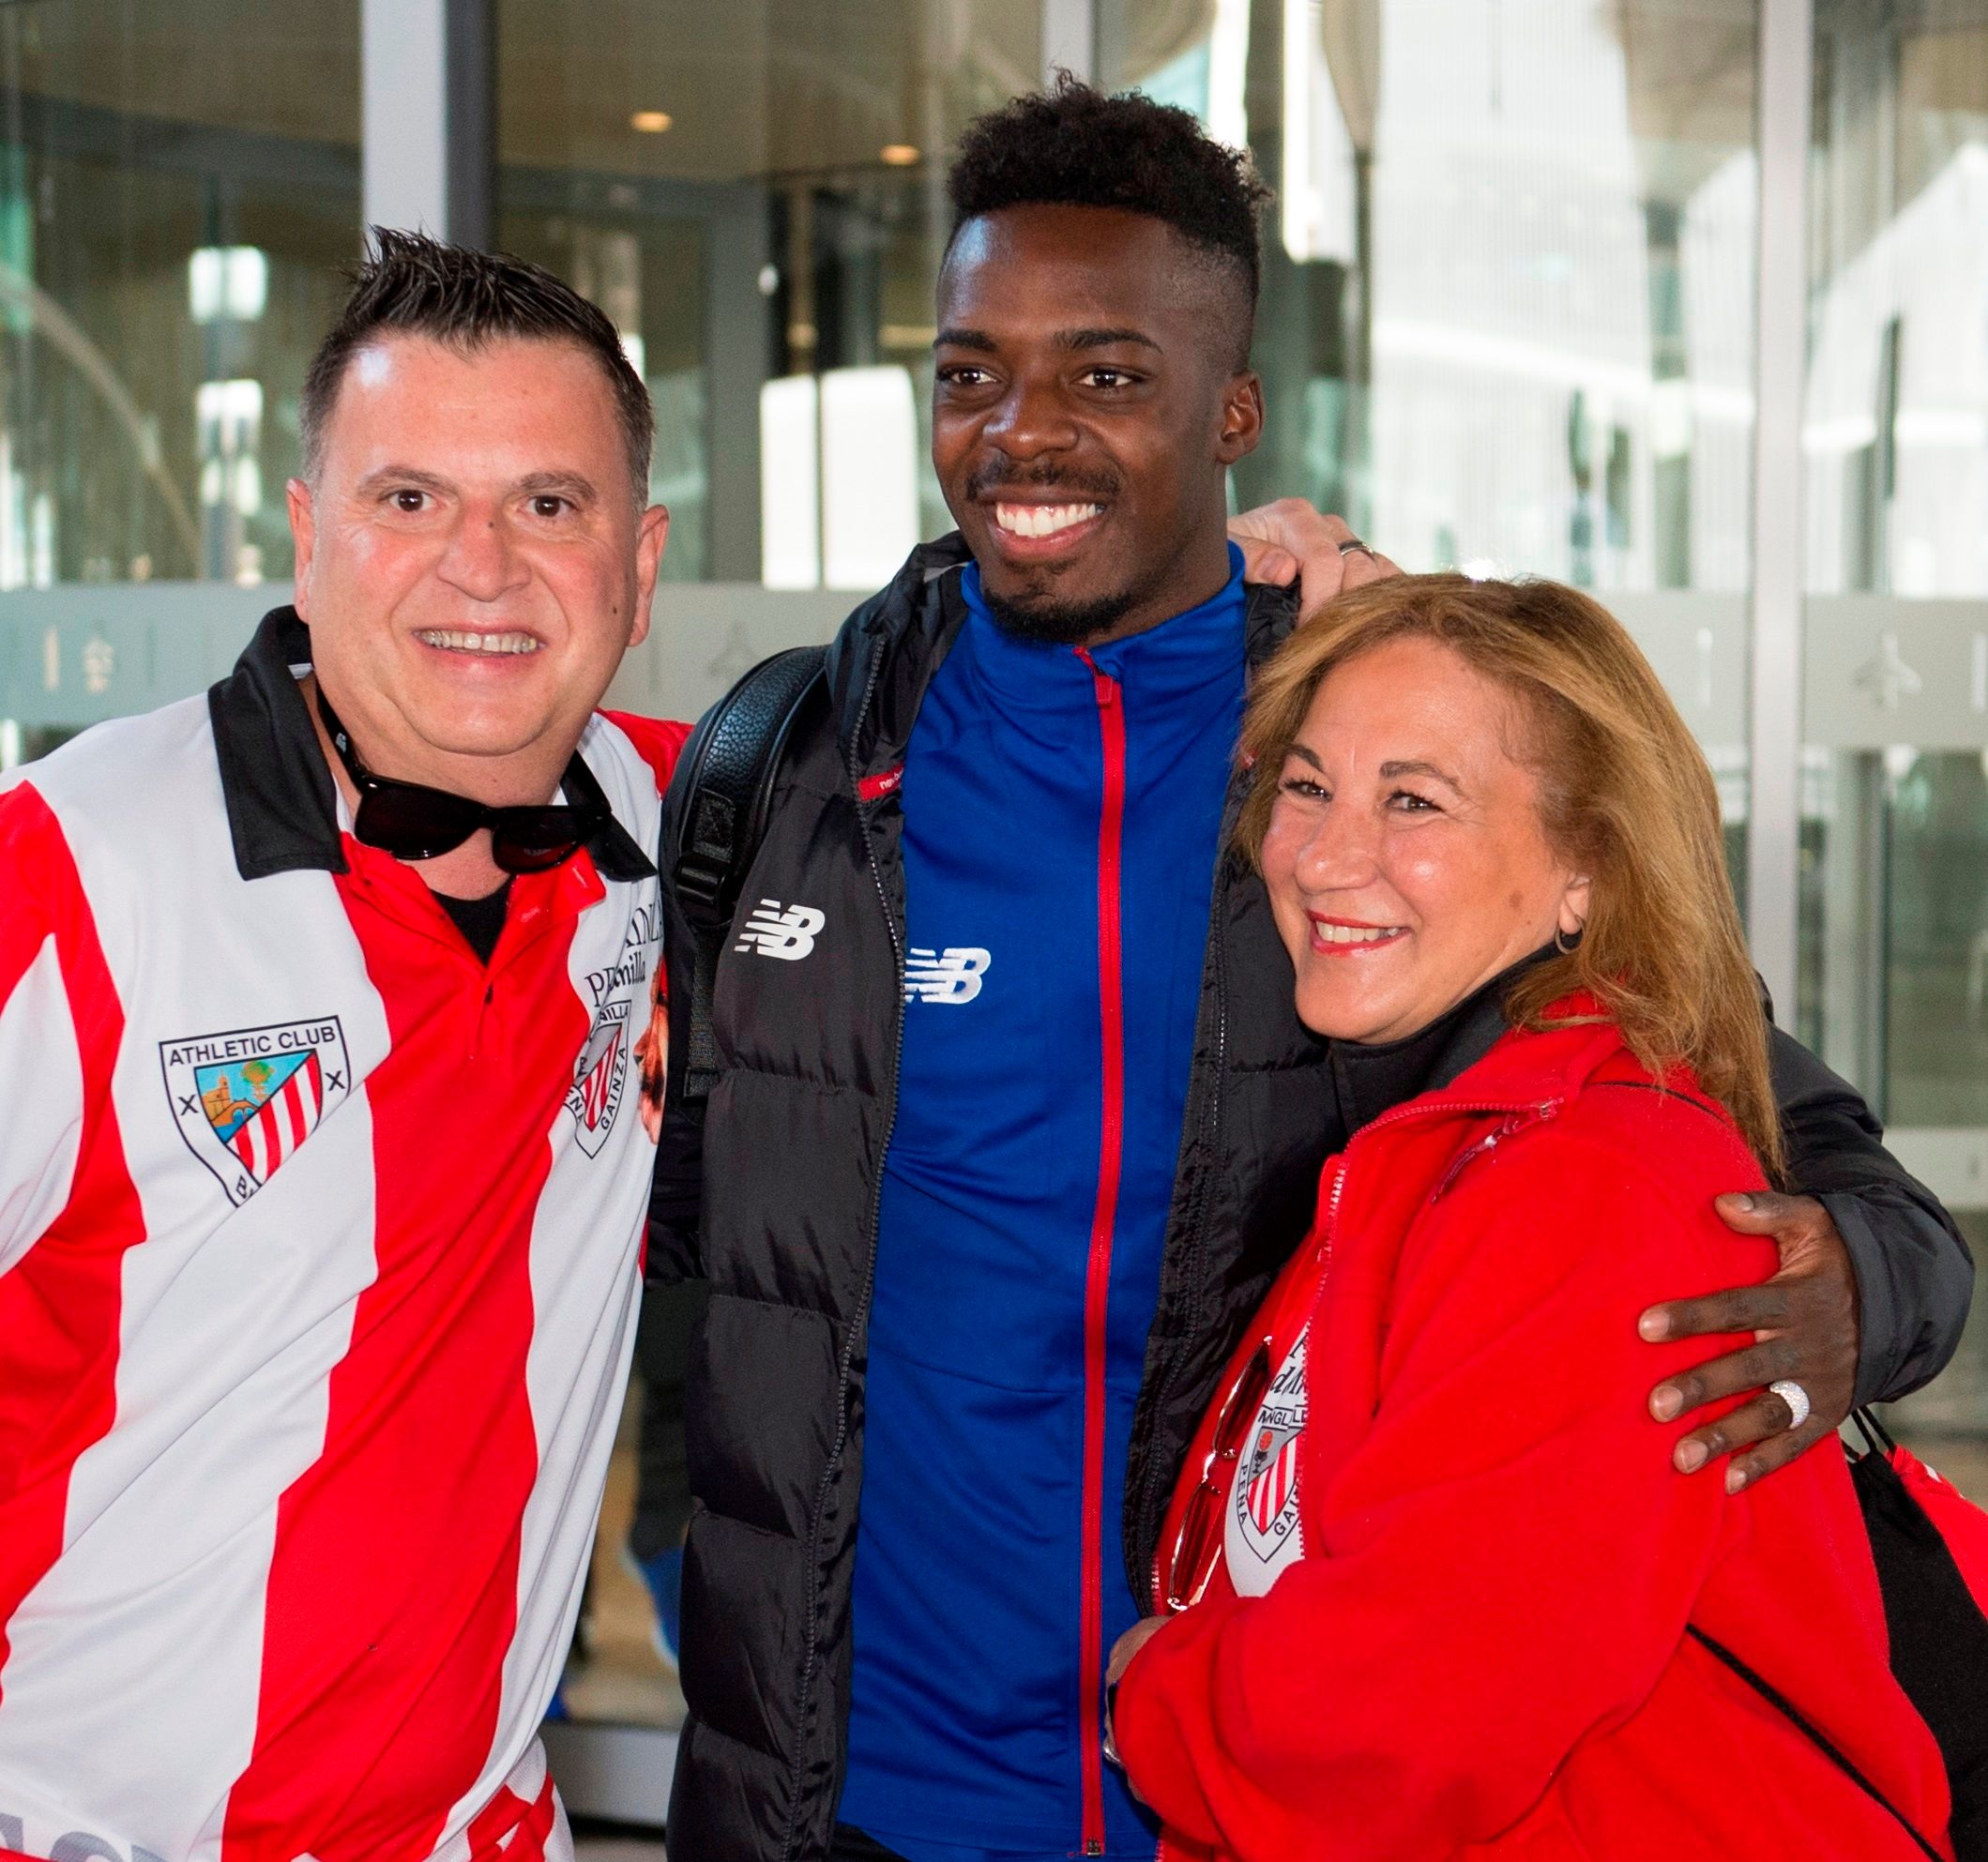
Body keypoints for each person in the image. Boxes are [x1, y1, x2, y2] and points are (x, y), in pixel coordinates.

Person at [650, 81, 1972, 1862]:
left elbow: (1780, 1139)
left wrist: (1857, 1299)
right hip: (858, 1800)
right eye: (972, 371)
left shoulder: (1375, 786)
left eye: (1108, 374)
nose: (1021, 433)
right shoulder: (783, 774)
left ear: (1235, 412)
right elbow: (690, 1268)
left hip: (1254, 1798)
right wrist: (699, 1609)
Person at [0, 234, 689, 1862]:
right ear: (306, 538)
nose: (481, 569)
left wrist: (1269, 604)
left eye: (549, 502)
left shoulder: (698, 827)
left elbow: (1013, 733)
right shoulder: (71, 871)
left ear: (640, 565)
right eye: (407, 500)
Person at [1104, 574, 1953, 1859]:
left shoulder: (1593, 1183)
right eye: (1309, 784)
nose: (1325, 855)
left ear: (1585, 873)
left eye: (1413, 799)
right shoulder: (1445, 1144)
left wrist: (1151, 1692)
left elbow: (1405, 1721)